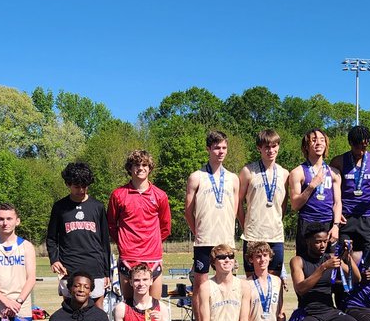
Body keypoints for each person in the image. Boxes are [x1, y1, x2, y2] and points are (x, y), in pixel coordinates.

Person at [107, 149, 172, 304]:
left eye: (145, 164)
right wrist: (124, 243)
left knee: (153, 307)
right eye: (136, 164)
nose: (141, 168)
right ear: (130, 168)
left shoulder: (160, 195)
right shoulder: (118, 195)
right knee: (129, 306)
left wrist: (152, 242)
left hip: (153, 257)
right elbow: (111, 225)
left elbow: (165, 227)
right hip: (128, 257)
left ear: (150, 168)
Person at [46, 161, 112, 307]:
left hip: (95, 267)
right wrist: (54, 260)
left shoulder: (98, 207)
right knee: (70, 311)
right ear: (68, 184)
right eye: (76, 186)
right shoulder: (59, 207)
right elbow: (51, 238)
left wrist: (107, 272)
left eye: (84, 186)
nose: (81, 190)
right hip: (68, 267)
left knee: (97, 313)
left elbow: (104, 242)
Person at [185, 131, 238, 304]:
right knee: (201, 287)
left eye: (224, 147)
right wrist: (197, 231)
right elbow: (188, 211)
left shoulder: (233, 178)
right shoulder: (196, 176)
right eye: (216, 148)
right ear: (208, 149)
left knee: (227, 286)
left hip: (226, 241)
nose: (221, 151)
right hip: (204, 241)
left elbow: (235, 210)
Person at [238, 129, 290, 277]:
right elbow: (238, 203)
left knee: (275, 284)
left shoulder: (285, 174)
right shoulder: (248, 171)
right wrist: (245, 225)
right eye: (267, 147)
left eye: (274, 146)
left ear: (278, 146)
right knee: (251, 284)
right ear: (259, 148)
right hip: (253, 236)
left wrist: (276, 220)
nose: (271, 150)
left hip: (276, 236)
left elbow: (283, 205)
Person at [330, 125, 370, 257]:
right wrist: (336, 214)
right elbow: (330, 192)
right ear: (350, 143)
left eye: (364, 147)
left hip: (366, 216)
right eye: (357, 146)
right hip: (345, 216)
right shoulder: (338, 161)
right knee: (343, 255)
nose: (361, 151)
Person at [288, 128, 340, 257]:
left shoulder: (334, 173)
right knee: (305, 265)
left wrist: (336, 226)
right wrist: (311, 186)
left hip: (328, 223)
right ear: (306, 146)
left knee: (329, 265)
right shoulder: (297, 172)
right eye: (314, 140)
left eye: (322, 140)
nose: (318, 143)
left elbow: (338, 202)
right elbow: (295, 205)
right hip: (307, 222)